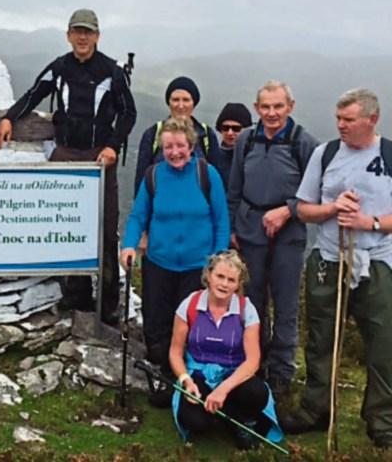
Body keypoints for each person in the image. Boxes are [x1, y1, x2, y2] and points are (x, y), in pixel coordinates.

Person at [0, 8, 136, 324]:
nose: (82, 37)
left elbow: (129, 112)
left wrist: (113, 146)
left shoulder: (112, 71)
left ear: (97, 36)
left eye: (88, 32)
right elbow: (34, 94)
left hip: (99, 158)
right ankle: (76, 298)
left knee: (105, 229)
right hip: (66, 155)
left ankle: (108, 305)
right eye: (77, 31)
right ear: (69, 35)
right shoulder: (59, 67)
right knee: (67, 225)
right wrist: (9, 118)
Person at [281, 89, 392, 449]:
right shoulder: (325, 153)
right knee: (320, 338)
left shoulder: (389, 155)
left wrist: (367, 222)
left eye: (349, 120)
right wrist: (332, 210)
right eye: (338, 119)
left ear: (372, 120)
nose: (340, 126)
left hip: (378, 261)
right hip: (329, 258)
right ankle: (316, 410)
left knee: (383, 344)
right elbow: (302, 209)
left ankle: (382, 421)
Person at [121, 118, 230, 407]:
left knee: (191, 324)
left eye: (180, 146)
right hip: (159, 263)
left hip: (198, 267)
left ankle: (186, 380)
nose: (175, 152)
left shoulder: (207, 174)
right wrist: (128, 245)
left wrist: (218, 262)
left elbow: (221, 221)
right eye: (168, 146)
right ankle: (164, 376)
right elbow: (138, 215)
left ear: (191, 146)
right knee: (156, 323)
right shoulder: (154, 176)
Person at [227, 81, 318, 395]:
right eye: (265, 107)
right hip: (249, 230)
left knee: (285, 304)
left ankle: (281, 373)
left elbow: (317, 193)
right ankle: (254, 363)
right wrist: (232, 228)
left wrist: (287, 210)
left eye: (278, 106)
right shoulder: (246, 140)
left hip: (288, 235)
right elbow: (235, 188)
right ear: (256, 108)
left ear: (290, 107)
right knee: (251, 302)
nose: (272, 113)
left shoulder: (303, 143)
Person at [169, 250, 283, 450]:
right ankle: (223, 417)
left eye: (231, 280)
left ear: (238, 284)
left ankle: (242, 419)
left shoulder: (246, 310)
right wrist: (186, 381)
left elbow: (253, 361)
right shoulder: (190, 304)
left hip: (233, 374)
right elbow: (175, 352)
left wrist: (223, 389)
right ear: (208, 275)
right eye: (219, 276)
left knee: (256, 393)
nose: (224, 284)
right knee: (196, 422)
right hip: (198, 374)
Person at [133, 76, 221, 195]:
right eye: (175, 100)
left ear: (194, 103)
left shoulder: (207, 136)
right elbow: (141, 182)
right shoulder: (153, 134)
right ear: (168, 102)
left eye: (186, 100)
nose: (180, 105)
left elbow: (216, 181)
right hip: (161, 202)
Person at [214, 102, 251, 186]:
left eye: (236, 128)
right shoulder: (213, 157)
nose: (230, 133)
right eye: (225, 128)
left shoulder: (253, 157)